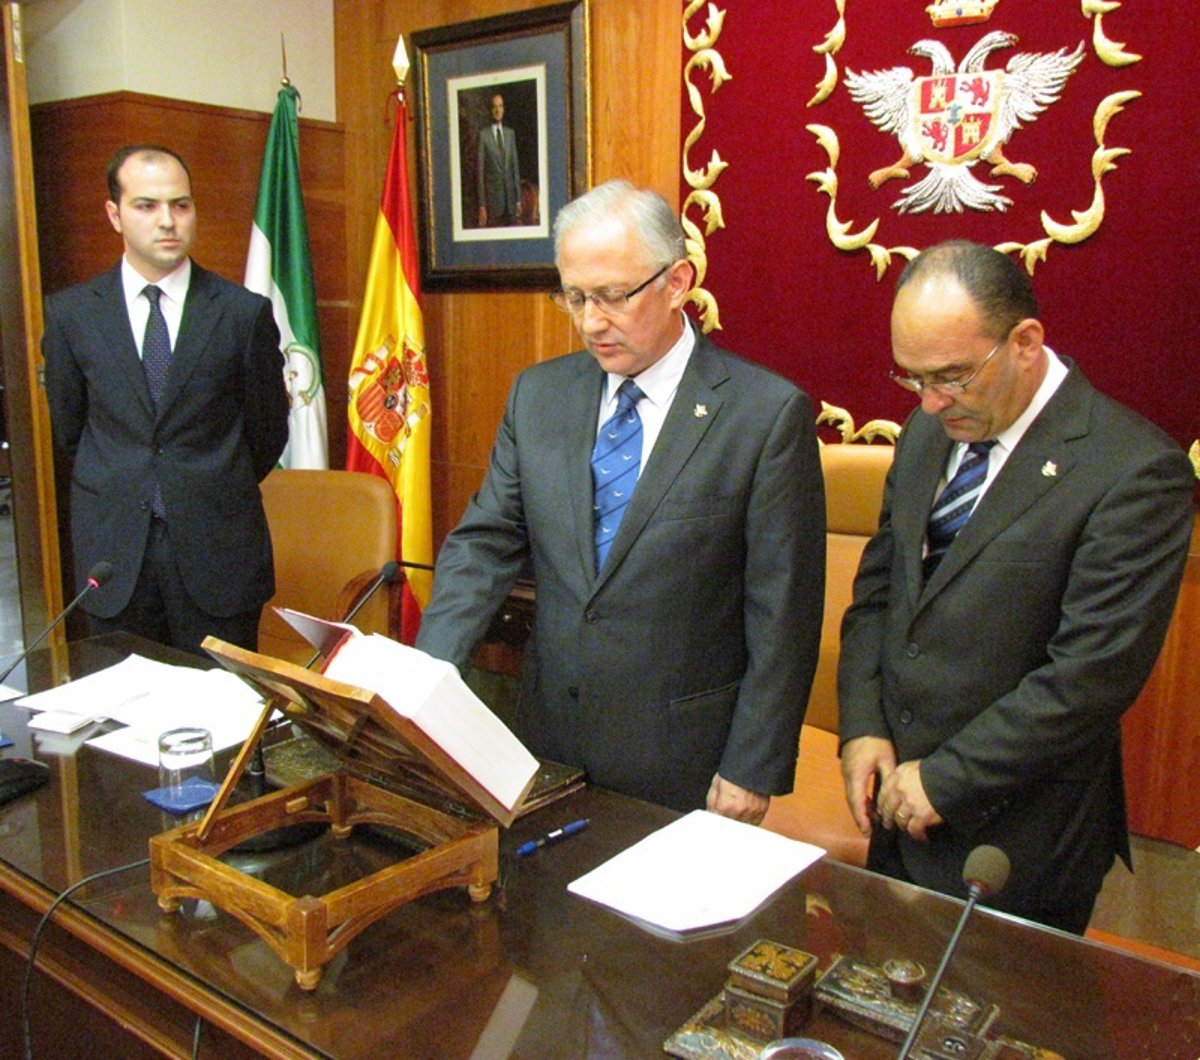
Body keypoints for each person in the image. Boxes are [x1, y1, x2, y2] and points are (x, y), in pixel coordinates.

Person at [417, 179, 825, 821]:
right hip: (547, 739)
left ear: (677, 282)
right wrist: (426, 679)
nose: (591, 322)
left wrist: (753, 764)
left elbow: (784, 611)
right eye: (574, 297)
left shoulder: (764, 416)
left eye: (611, 296)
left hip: (683, 758)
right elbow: (484, 545)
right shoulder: (538, 397)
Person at [838, 240, 1194, 932]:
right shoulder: (927, 432)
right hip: (896, 808)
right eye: (912, 378)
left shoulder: (1134, 471)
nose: (931, 402)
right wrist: (863, 725)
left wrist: (946, 778)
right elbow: (879, 593)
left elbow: (1088, 677)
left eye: (953, 377)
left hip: (1015, 838)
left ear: (1025, 342)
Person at [43, 144, 289, 654]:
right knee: (122, 700)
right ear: (114, 214)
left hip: (217, 550)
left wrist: (204, 480)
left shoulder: (241, 313)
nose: (168, 221)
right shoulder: (72, 314)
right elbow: (70, 428)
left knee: (222, 700)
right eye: (146, 205)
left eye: (181, 205)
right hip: (114, 554)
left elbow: (267, 432)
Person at [476, 93, 522, 227]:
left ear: (503, 109)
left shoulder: (510, 134)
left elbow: (515, 168)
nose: (498, 110)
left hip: (511, 203)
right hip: (493, 205)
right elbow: (480, 173)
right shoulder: (483, 135)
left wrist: (518, 200)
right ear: (491, 110)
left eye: (500, 106)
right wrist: (482, 205)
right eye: (495, 107)